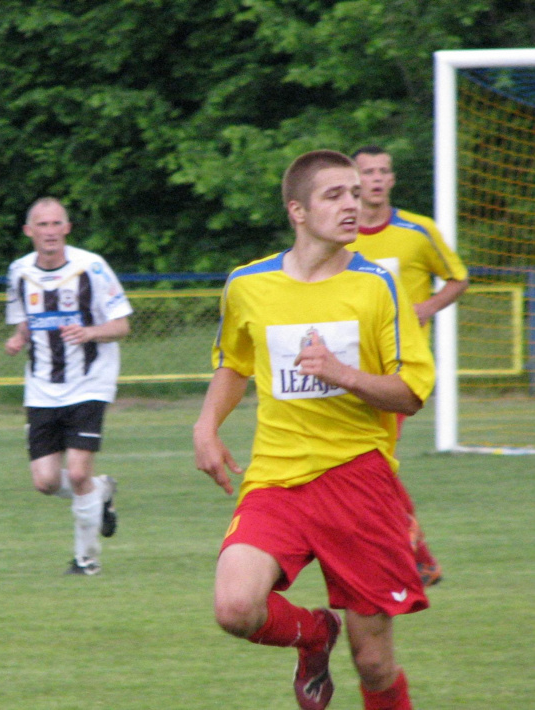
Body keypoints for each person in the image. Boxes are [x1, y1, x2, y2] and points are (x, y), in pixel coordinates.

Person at [193, 150, 436, 710]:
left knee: (374, 665)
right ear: (297, 211)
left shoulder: (378, 286)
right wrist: (206, 426)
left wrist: (342, 373)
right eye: (335, 195)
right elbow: (234, 362)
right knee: (235, 608)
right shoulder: (248, 284)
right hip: (277, 479)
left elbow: (413, 393)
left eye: (355, 193)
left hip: (359, 481)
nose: (352, 204)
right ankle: (313, 634)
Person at [348, 145, 469, 587]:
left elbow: (458, 277)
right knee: (369, 463)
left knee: (373, 462)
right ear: (354, 181)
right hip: (350, 370)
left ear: (392, 179)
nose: (377, 179)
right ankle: (408, 554)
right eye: (368, 172)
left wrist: (426, 308)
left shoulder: (418, 231)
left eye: (383, 171)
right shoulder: (339, 235)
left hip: (400, 372)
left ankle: (415, 556)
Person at [5, 197, 132, 576]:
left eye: (56, 224)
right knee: (45, 481)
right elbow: (25, 321)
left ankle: (86, 561)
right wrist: (18, 339)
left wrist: (90, 331)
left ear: (67, 229)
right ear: (30, 231)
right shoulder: (18, 272)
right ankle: (100, 491)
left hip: (90, 383)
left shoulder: (91, 267)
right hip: (42, 386)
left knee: (77, 472)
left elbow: (122, 325)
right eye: (41, 225)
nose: (49, 232)